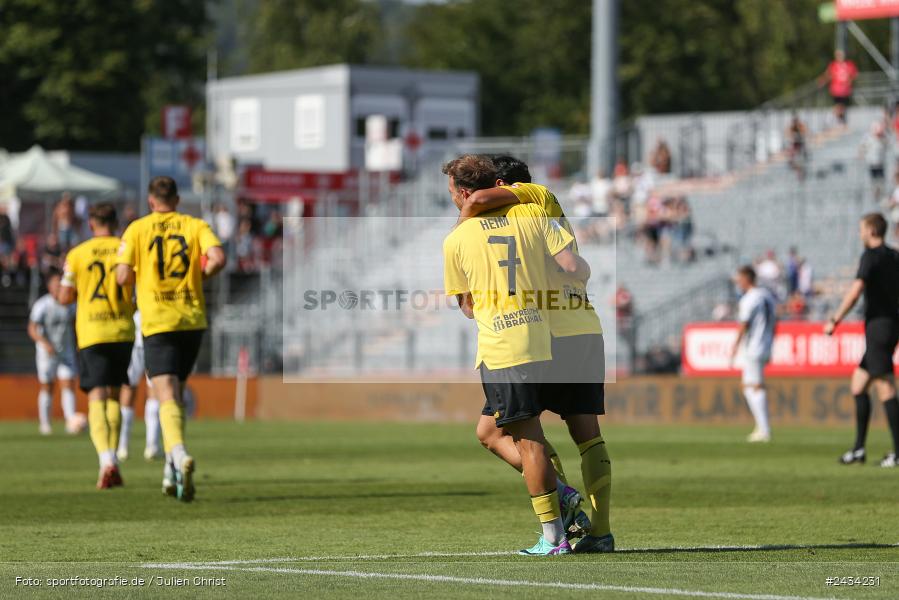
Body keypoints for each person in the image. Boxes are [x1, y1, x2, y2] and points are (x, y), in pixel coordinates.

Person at [458, 155, 614, 554]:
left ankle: (559, 510)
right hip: (582, 325)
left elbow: (475, 206)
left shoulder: (528, 201)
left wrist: (461, 227)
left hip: (547, 331)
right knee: (585, 435)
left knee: (515, 435)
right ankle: (599, 530)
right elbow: (574, 265)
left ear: (503, 185)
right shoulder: (547, 210)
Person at [115, 176, 226, 501]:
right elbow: (218, 258)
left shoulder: (137, 229)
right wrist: (201, 275)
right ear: (176, 201)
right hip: (192, 320)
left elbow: (122, 275)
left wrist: (136, 283)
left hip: (159, 321)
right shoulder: (194, 225)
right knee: (174, 396)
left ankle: (178, 455)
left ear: (151, 202)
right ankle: (170, 470)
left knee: (165, 395)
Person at [58, 203, 135, 489]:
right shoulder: (127, 249)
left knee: (96, 396)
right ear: (116, 223)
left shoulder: (77, 254)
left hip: (92, 331)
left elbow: (65, 296)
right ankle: (113, 457)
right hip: (122, 329)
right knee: (115, 395)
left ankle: (106, 461)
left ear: (91, 224)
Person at [826, 213, 899, 467]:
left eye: (861, 229)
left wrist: (835, 318)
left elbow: (856, 290)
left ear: (870, 230)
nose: (859, 234)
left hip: (879, 326)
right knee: (858, 384)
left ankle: (898, 454)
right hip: (890, 326)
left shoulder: (871, 256)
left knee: (886, 386)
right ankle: (858, 449)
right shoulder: (894, 256)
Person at [27, 270, 78, 435]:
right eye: (56, 285)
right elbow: (32, 329)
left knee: (68, 384)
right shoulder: (42, 305)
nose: (59, 288)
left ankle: (71, 421)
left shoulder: (71, 304)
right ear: (49, 288)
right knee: (48, 386)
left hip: (66, 349)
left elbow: (77, 324)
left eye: (61, 284)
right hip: (46, 352)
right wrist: (45, 344)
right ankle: (45, 424)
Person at [730, 266, 777, 443]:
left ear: (746, 279)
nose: (738, 283)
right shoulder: (766, 295)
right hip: (766, 344)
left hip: (753, 346)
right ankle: (761, 427)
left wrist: (734, 346)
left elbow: (744, 324)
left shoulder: (749, 299)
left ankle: (764, 429)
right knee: (753, 385)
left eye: (739, 279)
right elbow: (775, 319)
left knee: (753, 386)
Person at [117, 310, 163, 463]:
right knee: (149, 391)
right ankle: (151, 446)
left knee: (130, 390)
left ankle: (124, 447)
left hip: (138, 337)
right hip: (149, 337)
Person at [820, 49, 857, 125]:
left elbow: (854, 74)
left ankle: (839, 121)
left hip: (845, 90)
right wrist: (823, 81)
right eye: (837, 55)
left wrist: (849, 81)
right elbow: (828, 74)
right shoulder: (833, 65)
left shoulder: (849, 64)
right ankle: (833, 120)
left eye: (840, 55)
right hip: (836, 90)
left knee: (842, 106)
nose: (839, 57)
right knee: (838, 106)